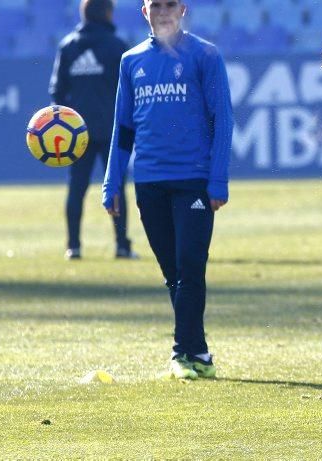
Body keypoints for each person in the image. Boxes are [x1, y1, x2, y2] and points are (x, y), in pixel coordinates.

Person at [102, 0, 233, 380]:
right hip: (149, 182)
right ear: (145, 12)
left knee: (190, 268)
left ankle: (180, 353)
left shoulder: (205, 55)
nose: (163, 11)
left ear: (182, 9)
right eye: (155, 4)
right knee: (173, 273)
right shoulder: (131, 61)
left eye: (169, 4)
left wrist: (218, 179)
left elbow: (222, 119)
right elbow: (122, 128)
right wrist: (112, 181)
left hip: (193, 178)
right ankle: (201, 353)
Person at [50, 0, 136, 261]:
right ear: (108, 13)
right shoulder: (117, 47)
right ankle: (122, 246)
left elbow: (56, 92)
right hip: (112, 131)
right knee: (117, 188)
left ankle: (73, 246)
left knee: (76, 189)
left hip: (77, 135)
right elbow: (131, 90)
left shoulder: (68, 47)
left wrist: (67, 124)